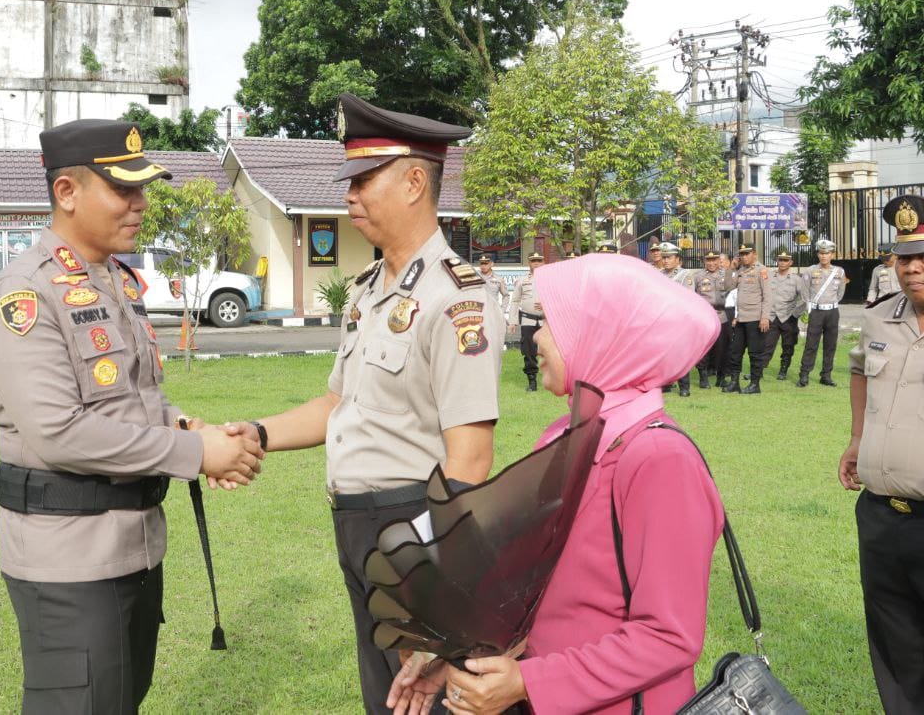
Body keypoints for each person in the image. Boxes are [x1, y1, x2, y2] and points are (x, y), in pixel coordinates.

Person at [0, 119, 264, 714]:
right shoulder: (27, 293)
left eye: (142, 189)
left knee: (120, 702)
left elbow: (139, 400)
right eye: (123, 190)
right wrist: (196, 455)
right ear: (67, 193)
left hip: (132, 548)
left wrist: (189, 428)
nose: (140, 204)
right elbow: (60, 431)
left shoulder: (113, 281)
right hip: (69, 560)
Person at [224, 93, 502, 714]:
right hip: (358, 526)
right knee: (384, 697)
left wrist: (428, 582)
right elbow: (338, 404)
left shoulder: (458, 301)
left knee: (423, 699)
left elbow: (471, 459)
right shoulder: (368, 291)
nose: (350, 194)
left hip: (413, 526)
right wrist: (256, 433)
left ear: (412, 183)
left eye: (363, 178)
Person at [389, 254, 724, 714]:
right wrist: (460, 661)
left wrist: (529, 680)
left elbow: (668, 635)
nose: (538, 337)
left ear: (603, 335)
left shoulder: (659, 460)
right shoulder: (563, 436)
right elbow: (534, 593)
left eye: (552, 321)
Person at [840, 194, 924, 714]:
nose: (912, 268)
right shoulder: (877, 320)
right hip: (881, 515)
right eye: (904, 257)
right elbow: (856, 371)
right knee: (896, 647)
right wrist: (855, 438)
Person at [797, 238, 848, 387]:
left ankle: (826, 375)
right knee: (811, 344)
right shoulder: (810, 270)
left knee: (830, 345)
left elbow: (840, 292)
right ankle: (804, 374)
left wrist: (831, 303)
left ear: (832, 254)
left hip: (832, 312)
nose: (824, 256)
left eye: (827, 253)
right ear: (818, 254)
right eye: (821, 253)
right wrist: (810, 306)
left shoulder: (839, 271)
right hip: (816, 312)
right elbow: (805, 292)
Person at [724, 244, 771, 394]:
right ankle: (734, 382)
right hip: (740, 319)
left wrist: (765, 317)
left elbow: (768, 296)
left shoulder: (761, 270)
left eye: (747, 254)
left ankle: (755, 384)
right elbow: (728, 286)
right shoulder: (741, 270)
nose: (744, 257)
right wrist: (731, 268)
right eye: (741, 254)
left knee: (755, 353)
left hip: (755, 318)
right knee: (735, 351)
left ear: (754, 254)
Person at [690, 249, 734, 389]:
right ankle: (703, 377)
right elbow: (692, 297)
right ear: (704, 261)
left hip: (723, 316)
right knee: (704, 349)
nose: (711, 263)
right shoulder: (698, 276)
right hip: (705, 317)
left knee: (723, 349)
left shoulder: (727, 275)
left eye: (714, 260)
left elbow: (734, 296)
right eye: (708, 260)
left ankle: (721, 378)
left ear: (718, 261)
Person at [657, 242, 695, 396]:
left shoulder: (686, 275)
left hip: (679, 320)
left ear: (678, 259)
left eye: (669, 257)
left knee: (681, 355)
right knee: (664, 354)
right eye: (664, 257)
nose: (666, 260)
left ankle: (684, 386)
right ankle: (665, 383)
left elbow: (689, 299)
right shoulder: (659, 274)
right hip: (663, 320)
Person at [764, 251, 806, 380]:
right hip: (772, 316)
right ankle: (758, 370)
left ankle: (783, 370)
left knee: (788, 346)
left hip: (788, 317)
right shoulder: (769, 276)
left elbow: (804, 298)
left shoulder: (796, 279)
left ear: (790, 262)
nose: (782, 262)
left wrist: (795, 314)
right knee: (766, 345)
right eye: (780, 260)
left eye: (785, 260)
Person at [510, 253, 545, 392]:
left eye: (538, 260)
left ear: (543, 262)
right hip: (528, 320)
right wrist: (512, 321)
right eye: (533, 261)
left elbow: (559, 298)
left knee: (553, 352)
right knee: (529, 352)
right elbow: (515, 301)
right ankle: (532, 382)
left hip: (546, 321)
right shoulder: (522, 280)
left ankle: (557, 380)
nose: (536, 263)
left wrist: (547, 305)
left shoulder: (551, 280)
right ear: (529, 263)